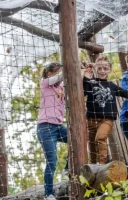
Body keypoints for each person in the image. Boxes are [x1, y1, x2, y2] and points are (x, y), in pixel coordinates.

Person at [81, 56, 128, 165]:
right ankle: (93, 167)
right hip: (91, 119)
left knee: (100, 138)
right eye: (99, 68)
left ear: (109, 69)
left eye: (105, 68)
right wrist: (87, 74)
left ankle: (102, 165)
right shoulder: (91, 82)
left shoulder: (112, 86)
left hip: (106, 119)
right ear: (95, 68)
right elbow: (85, 92)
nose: (102, 71)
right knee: (92, 145)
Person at [36, 63, 68, 200]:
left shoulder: (61, 89)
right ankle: (48, 194)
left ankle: (69, 166)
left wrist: (83, 70)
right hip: (45, 127)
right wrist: (71, 67)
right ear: (49, 74)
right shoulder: (45, 84)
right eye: (56, 72)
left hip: (58, 126)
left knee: (76, 139)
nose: (59, 75)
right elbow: (61, 77)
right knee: (52, 161)